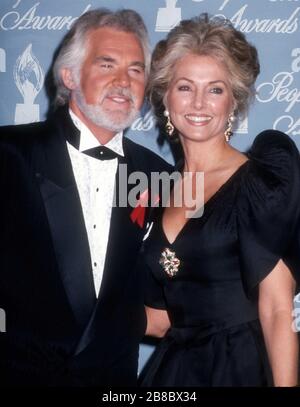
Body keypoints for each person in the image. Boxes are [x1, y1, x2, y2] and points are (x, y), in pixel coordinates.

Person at [0, 8, 171, 386]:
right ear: (69, 75)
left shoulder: (161, 177)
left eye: (136, 69)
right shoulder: (10, 154)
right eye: (107, 64)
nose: (123, 82)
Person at [140, 14, 300, 387]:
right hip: (175, 371)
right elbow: (159, 316)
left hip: (241, 368)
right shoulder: (154, 188)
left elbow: (277, 310)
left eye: (215, 89)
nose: (198, 103)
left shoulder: (260, 183)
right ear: (165, 96)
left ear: (233, 101)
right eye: (184, 87)